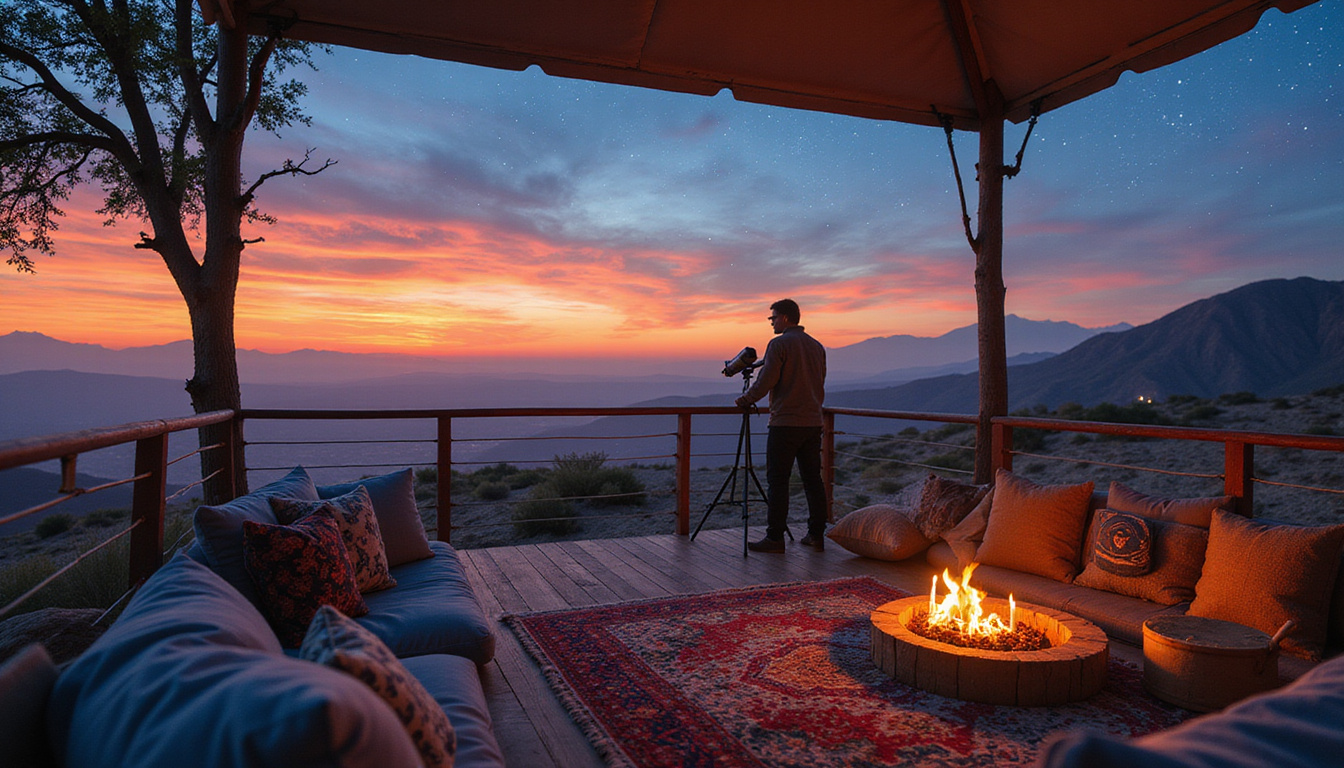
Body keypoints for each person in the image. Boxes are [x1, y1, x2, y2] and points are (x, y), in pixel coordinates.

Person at [734, 298, 828, 552]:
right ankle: (816, 534)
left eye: (772, 317)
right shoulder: (816, 346)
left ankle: (775, 538)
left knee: (778, 481)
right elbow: (820, 381)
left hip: (785, 423)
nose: (771, 322)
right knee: (813, 481)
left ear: (785, 318)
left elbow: (767, 380)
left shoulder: (778, 344)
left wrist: (745, 399)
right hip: (812, 423)